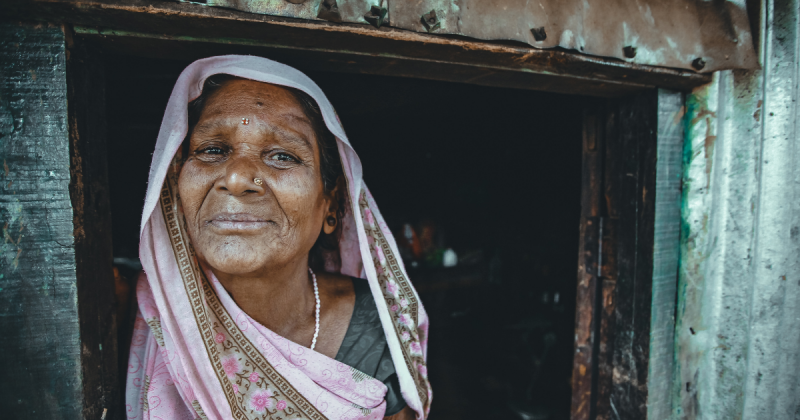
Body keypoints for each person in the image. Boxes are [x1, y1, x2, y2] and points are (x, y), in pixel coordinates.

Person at [126, 55, 431, 420]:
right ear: (174, 184)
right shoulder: (134, 311)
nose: (237, 178)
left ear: (330, 204)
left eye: (282, 156)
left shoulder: (376, 325)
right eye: (212, 150)